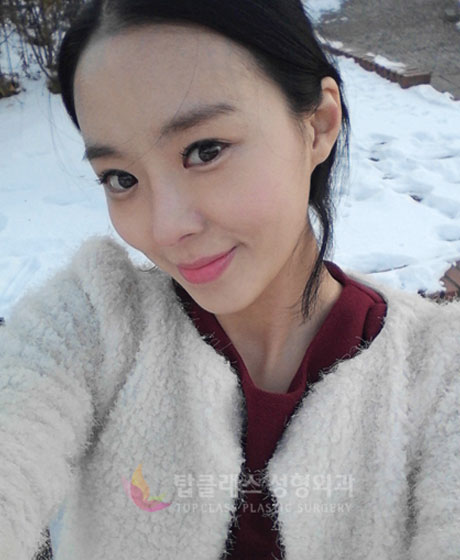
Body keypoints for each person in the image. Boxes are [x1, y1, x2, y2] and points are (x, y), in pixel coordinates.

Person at [1, 1, 459, 559]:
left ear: (318, 124)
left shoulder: (440, 377)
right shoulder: (92, 326)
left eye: (205, 151)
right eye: (121, 178)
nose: (165, 228)